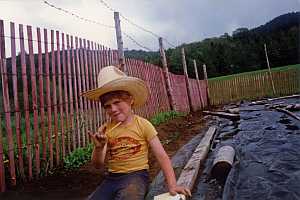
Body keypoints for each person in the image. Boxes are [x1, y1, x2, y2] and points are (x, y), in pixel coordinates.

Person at [82, 65, 191, 200]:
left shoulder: (143, 125)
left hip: (136, 177)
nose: (113, 109)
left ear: (131, 100)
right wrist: (99, 148)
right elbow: (98, 165)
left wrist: (173, 185)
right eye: (108, 106)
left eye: (117, 102)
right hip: (111, 179)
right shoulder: (105, 130)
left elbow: (162, 156)